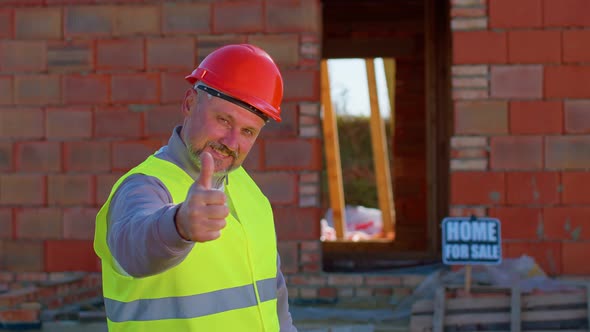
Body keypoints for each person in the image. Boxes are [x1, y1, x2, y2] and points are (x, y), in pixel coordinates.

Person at [93, 44, 298, 331]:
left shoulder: (250, 193)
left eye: (248, 131)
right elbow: (132, 246)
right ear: (190, 103)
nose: (231, 141)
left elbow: (274, 297)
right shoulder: (144, 185)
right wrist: (178, 226)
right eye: (223, 120)